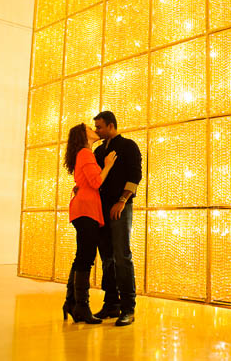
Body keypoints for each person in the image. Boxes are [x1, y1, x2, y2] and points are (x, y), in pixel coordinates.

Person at [62, 123, 117, 324]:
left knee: (82, 256)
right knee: (85, 258)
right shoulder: (85, 153)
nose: (94, 129)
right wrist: (108, 165)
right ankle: (81, 306)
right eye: (89, 127)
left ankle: (72, 302)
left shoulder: (83, 154)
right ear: (83, 135)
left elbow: (85, 181)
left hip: (83, 208)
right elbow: (96, 182)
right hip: (86, 209)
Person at [92, 111, 142, 326]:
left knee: (122, 255)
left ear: (111, 125)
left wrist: (122, 201)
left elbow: (135, 175)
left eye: (100, 127)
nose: (97, 131)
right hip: (100, 208)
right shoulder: (98, 150)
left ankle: (128, 307)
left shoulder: (129, 146)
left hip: (119, 207)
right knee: (107, 257)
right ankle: (111, 303)